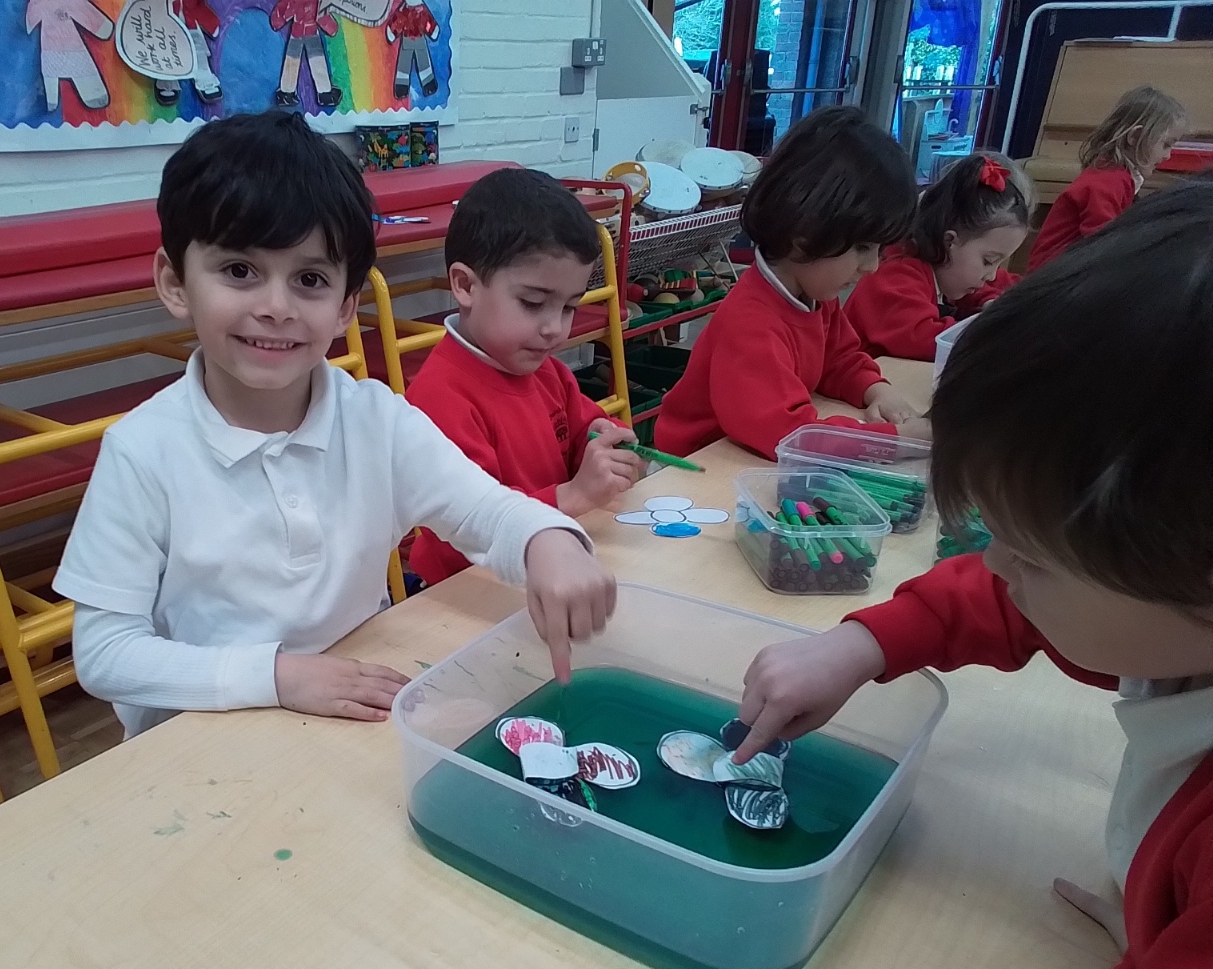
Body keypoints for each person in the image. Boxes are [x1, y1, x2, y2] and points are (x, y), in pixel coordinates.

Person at [730, 181, 1213, 969]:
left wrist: (1151, 962)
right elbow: (1007, 606)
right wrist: (862, 644)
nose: (997, 570)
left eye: (1029, 554)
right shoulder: (1169, 615)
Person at [54, 111, 617, 737]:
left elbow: (486, 511)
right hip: (203, 739)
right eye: (239, 270)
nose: (275, 308)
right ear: (175, 281)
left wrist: (547, 540)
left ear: (348, 304)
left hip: (353, 715)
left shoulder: (376, 420)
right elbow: (105, 654)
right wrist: (279, 677)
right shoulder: (141, 451)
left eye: (310, 280)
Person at [405, 168, 643, 586]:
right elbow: (464, 535)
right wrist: (575, 495)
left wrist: (608, 442)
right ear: (465, 286)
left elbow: (584, 430)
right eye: (533, 303)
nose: (555, 329)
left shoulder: (546, 371)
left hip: (549, 562)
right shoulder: (437, 399)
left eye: (569, 307)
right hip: (465, 590)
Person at [652, 107, 927, 461]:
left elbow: (839, 359)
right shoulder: (750, 325)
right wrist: (893, 441)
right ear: (804, 234)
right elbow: (790, 437)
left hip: (747, 457)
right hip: (692, 467)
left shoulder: (815, 294)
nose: (872, 267)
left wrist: (876, 390)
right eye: (862, 247)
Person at [845, 152, 1031, 361]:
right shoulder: (896, 273)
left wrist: (991, 301)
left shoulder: (939, 267)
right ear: (949, 241)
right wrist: (990, 332)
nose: (991, 275)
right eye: (988, 261)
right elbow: (924, 339)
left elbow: (981, 289)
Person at [1025, 85, 1188, 271]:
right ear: (1134, 137)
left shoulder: (1116, 175)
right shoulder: (1108, 181)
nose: (1168, 156)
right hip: (1055, 276)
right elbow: (1104, 244)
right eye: (1166, 145)